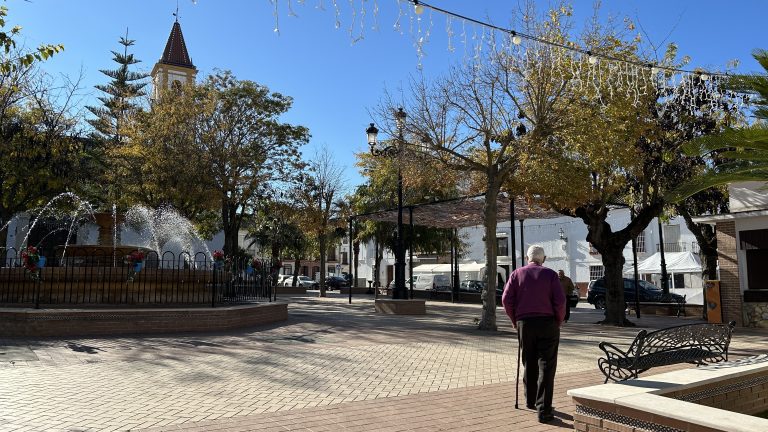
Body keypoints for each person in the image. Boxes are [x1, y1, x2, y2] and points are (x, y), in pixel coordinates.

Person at [502, 245, 566, 424]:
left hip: (525, 322)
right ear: (543, 259)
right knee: (546, 365)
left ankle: (530, 400)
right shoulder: (551, 275)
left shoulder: (516, 274)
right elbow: (560, 302)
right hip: (548, 323)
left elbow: (506, 299)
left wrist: (515, 320)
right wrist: (558, 321)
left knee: (528, 361)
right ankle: (543, 410)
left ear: (527, 258)